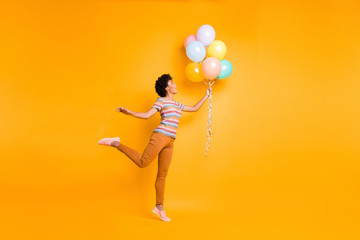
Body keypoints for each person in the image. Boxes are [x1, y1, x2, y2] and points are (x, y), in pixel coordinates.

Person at [98, 73, 212, 221]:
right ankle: (115, 143)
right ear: (166, 87)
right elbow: (147, 115)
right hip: (160, 136)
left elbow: (195, 108)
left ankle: (159, 207)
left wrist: (206, 94)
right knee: (142, 162)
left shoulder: (177, 104)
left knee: (162, 176)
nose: (175, 85)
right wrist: (129, 112)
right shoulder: (161, 101)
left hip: (170, 141)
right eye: (172, 83)